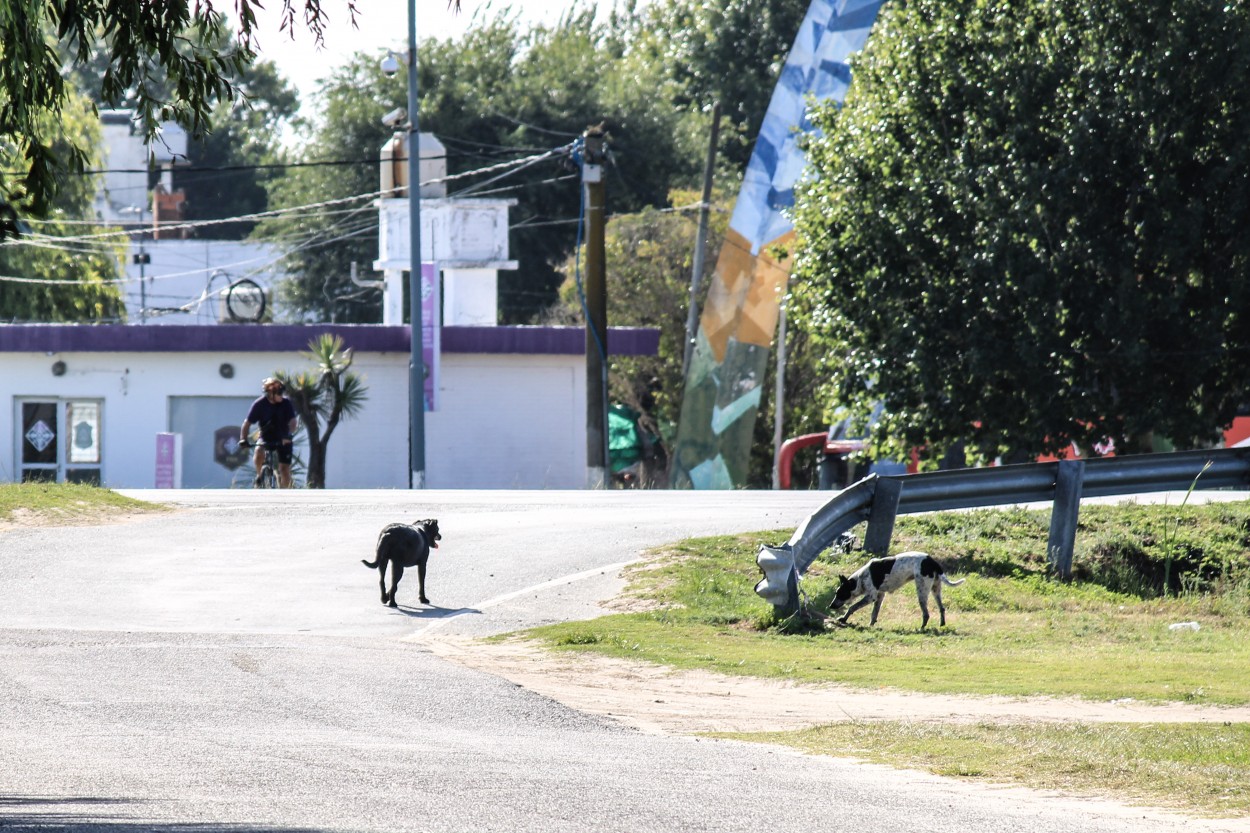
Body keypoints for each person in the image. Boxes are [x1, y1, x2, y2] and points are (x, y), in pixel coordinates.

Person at [240, 377, 298, 488]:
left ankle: (285, 493)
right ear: (270, 394)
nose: (282, 395)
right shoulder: (259, 404)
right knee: (259, 451)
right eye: (279, 393)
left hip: (284, 437)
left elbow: (293, 421)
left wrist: (289, 434)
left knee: (284, 469)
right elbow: (247, 424)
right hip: (266, 437)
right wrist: (243, 439)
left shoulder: (286, 403)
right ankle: (260, 474)